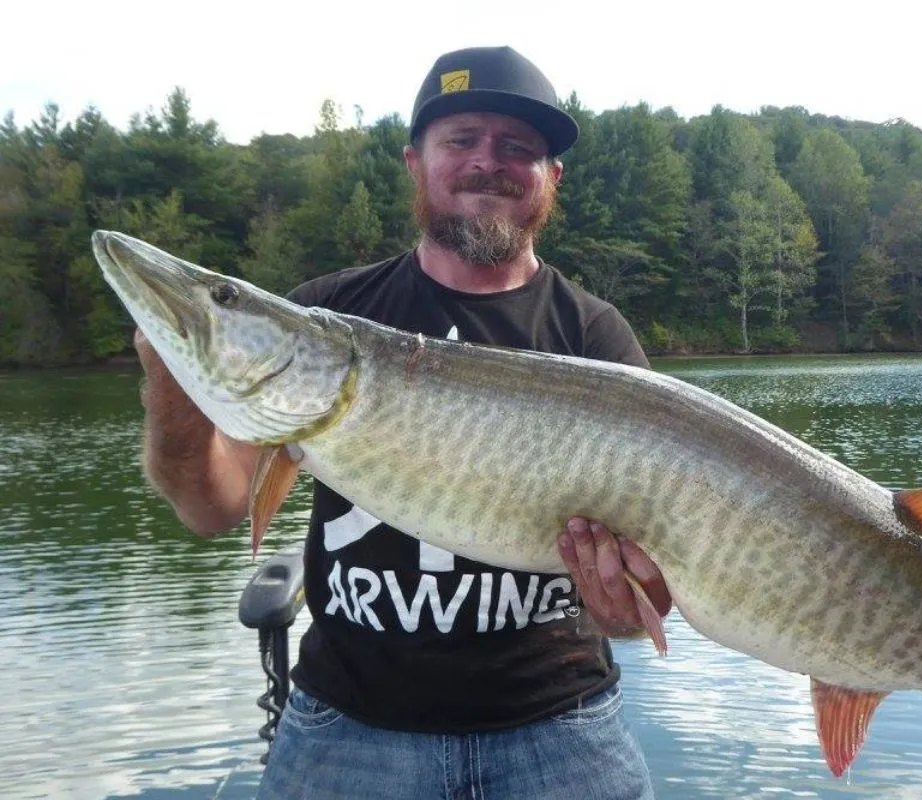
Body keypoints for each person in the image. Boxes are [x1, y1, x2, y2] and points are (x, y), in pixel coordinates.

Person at [133, 45, 672, 799]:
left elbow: (642, 592)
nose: (489, 161)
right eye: (461, 140)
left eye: (518, 147)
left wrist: (622, 605)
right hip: (348, 732)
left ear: (551, 178)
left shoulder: (594, 337)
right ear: (414, 161)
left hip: (560, 728)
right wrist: (173, 380)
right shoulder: (328, 321)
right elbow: (210, 506)